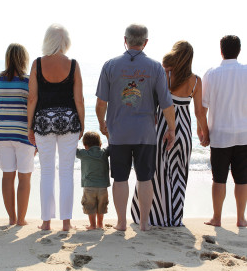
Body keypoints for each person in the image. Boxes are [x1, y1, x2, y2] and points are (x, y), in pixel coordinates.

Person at [96, 24, 175, 231]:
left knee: (120, 178)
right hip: (145, 133)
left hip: (119, 132)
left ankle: (121, 223)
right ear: (145, 42)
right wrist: (172, 129)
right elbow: (167, 104)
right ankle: (143, 223)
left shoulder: (110, 66)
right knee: (145, 178)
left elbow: (100, 103)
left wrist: (102, 124)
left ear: (125, 40)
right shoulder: (156, 67)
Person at [131, 41, 209, 226]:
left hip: (164, 126)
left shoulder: (164, 74)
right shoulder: (196, 81)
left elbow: (151, 102)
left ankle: (153, 217)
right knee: (180, 172)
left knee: (156, 170)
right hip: (183, 129)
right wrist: (204, 131)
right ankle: (174, 218)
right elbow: (199, 112)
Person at [27, 24, 85, 231]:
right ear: (65, 42)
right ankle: (67, 223)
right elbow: (79, 99)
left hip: (43, 120)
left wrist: (29, 126)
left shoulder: (37, 64)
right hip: (69, 120)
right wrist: (82, 122)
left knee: (47, 172)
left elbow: (32, 98)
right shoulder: (73, 64)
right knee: (66, 172)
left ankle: (45, 222)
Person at [0, 43, 35, 226]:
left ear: (7, 58)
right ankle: (21, 219)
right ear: (24, 59)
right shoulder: (29, 81)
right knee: (24, 176)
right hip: (24, 136)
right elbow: (35, 109)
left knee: (7, 176)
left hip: (2, 135)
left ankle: (11, 218)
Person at [202, 35, 247, 227]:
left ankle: (217, 218)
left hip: (219, 134)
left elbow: (202, 108)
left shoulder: (212, 74)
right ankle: (241, 219)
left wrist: (203, 131)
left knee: (219, 178)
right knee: (242, 179)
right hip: (244, 133)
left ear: (221, 50)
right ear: (239, 50)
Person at [76, 131, 110, 230]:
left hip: (89, 187)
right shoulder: (104, 153)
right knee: (101, 207)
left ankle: (92, 225)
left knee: (90, 206)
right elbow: (111, 146)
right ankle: (100, 224)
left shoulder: (83, 153)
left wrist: (76, 137)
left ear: (85, 145)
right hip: (103, 187)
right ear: (100, 144)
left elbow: (74, 149)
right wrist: (108, 135)